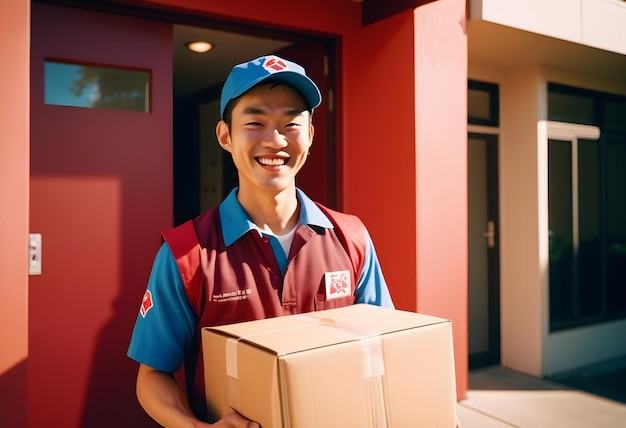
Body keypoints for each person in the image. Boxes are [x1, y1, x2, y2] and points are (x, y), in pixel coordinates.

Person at [127, 55, 394, 427]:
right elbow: (153, 375)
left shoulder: (351, 238)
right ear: (225, 136)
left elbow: (386, 348)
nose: (275, 140)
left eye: (291, 123)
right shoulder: (186, 254)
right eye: (255, 123)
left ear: (311, 136)